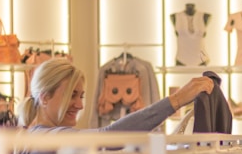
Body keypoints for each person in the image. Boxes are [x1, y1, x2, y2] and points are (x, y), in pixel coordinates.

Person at [17, 58, 214, 135]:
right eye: (71, 95)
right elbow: (108, 135)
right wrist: (176, 100)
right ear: (44, 97)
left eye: (82, 96)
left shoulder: (35, 134)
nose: (79, 105)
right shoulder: (47, 137)